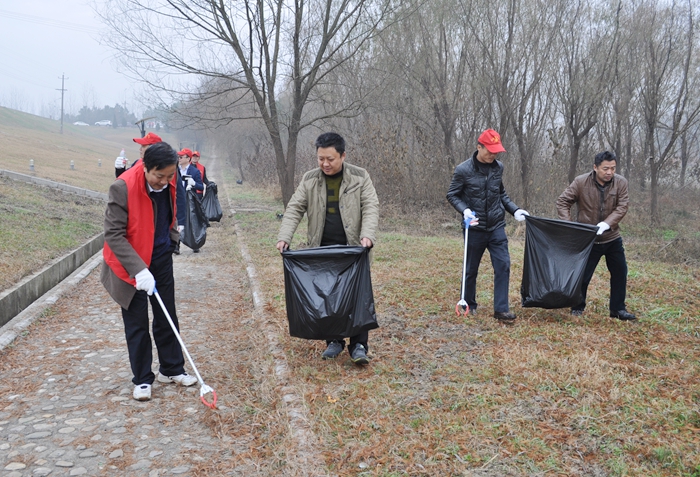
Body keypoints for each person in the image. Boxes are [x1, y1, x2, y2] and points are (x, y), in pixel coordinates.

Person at [101, 141, 198, 402]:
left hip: (160, 256)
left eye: (169, 175)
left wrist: (174, 238)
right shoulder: (123, 187)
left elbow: (169, 213)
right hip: (128, 265)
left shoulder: (170, 177)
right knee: (137, 323)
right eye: (159, 176)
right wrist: (138, 270)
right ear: (145, 167)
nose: (164, 181)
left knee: (167, 315)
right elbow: (113, 234)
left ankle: (172, 368)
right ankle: (143, 379)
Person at [276, 132, 379, 365]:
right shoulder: (310, 179)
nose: (325, 163)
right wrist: (284, 237)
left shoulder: (360, 177)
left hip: (353, 250)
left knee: (356, 296)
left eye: (330, 159)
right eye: (320, 158)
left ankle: (359, 345)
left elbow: (371, 207)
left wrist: (367, 236)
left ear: (343, 155)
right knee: (327, 296)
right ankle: (333, 341)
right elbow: (294, 208)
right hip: (322, 250)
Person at [446, 129, 529, 323]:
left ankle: (501, 309)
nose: (493, 154)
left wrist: (515, 210)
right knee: (471, 268)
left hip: (496, 226)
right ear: (479, 147)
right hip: (474, 226)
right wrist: (464, 210)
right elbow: (452, 195)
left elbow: (501, 194)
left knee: (503, 265)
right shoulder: (463, 170)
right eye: (489, 150)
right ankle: (468, 303)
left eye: (496, 151)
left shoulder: (498, 167)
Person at [556, 151, 636, 321]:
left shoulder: (621, 183)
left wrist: (607, 224)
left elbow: (622, 206)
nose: (609, 172)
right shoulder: (581, 182)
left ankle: (618, 310)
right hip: (588, 239)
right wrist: (570, 226)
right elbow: (563, 202)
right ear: (595, 167)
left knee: (620, 273)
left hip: (612, 237)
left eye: (613, 169)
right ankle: (577, 306)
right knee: (583, 276)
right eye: (605, 168)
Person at [177, 148, 204, 253]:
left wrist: (193, 184)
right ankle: (176, 245)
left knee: (191, 221)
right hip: (177, 199)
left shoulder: (195, 171)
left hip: (189, 201)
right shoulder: (175, 170)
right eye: (178, 157)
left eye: (181, 157)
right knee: (176, 222)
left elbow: (201, 187)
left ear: (188, 158)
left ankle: (194, 243)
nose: (179, 159)